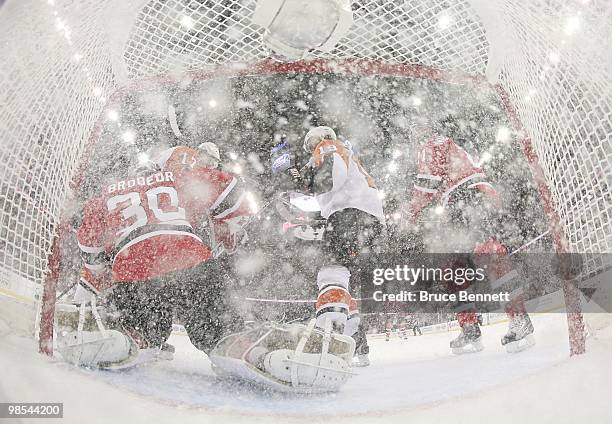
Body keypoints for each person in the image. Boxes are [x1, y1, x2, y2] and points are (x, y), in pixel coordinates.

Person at [67, 155, 250, 368]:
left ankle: (132, 339)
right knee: (219, 333)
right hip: (191, 259)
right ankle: (244, 349)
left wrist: (98, 267)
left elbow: (89, 242)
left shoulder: (107, 194)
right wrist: (228, 224)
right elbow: (231, 188)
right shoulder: (175, 178)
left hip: (136, 269)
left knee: (141, 332)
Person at [403, 120, 534, 354]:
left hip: (466, 197)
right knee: (453, 271)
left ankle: (519, 319)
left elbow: (428, 183)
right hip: (469, 197)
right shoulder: (446, 145)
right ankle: (470, 328)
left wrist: (410, 211)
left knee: (489, 255)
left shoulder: (431, 144)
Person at [295, 126, 385, 366]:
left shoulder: (329, 147)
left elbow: (329, 180)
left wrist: (299, 179)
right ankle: (357, 346)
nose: (310, 150)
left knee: (331, 270)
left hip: (351, 216)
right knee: (344, 279)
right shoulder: (347, 154)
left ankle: (330, 338)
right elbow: (329, 194)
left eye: (311, 144)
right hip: (367, 220)